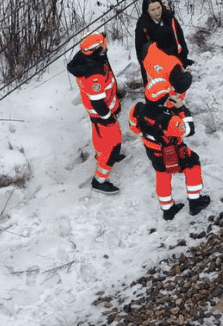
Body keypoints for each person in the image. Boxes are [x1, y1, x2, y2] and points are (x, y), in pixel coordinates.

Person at [128, 78, 211, 220]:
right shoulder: (167, 120)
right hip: (172, 151)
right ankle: (195, 202)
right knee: (192, 163)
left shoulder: (137, 109)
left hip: (152, 151)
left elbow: (134, 128)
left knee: (162, 174)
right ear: (163, 97)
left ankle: (167, 209)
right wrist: (181, 109)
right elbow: (189, 130)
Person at [67, 32, 123, 194]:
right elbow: (98, 102)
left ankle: (101, 157)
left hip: (98, 116)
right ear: (97, 50)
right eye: (103, 46)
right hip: (103, 115)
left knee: (99, 136)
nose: (106, 47)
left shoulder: (86, 58)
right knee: (113, 145)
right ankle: (100, 180)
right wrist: (108, 118)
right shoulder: (94, 75)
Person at [134, 0, 191, 85]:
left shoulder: (169, 18)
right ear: (147, 11)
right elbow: (140, 53)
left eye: (158, 8)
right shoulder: (142, 27)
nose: (157, 12)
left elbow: (180, 38)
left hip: (174, 61)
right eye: (152, 10)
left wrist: (184, 58)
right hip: (156, 66)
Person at [141, 39, 191, 105]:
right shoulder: (161, 82)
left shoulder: (176, 63)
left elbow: (179, 84)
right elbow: (152, 95)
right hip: (146, 54)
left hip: (153, 48)